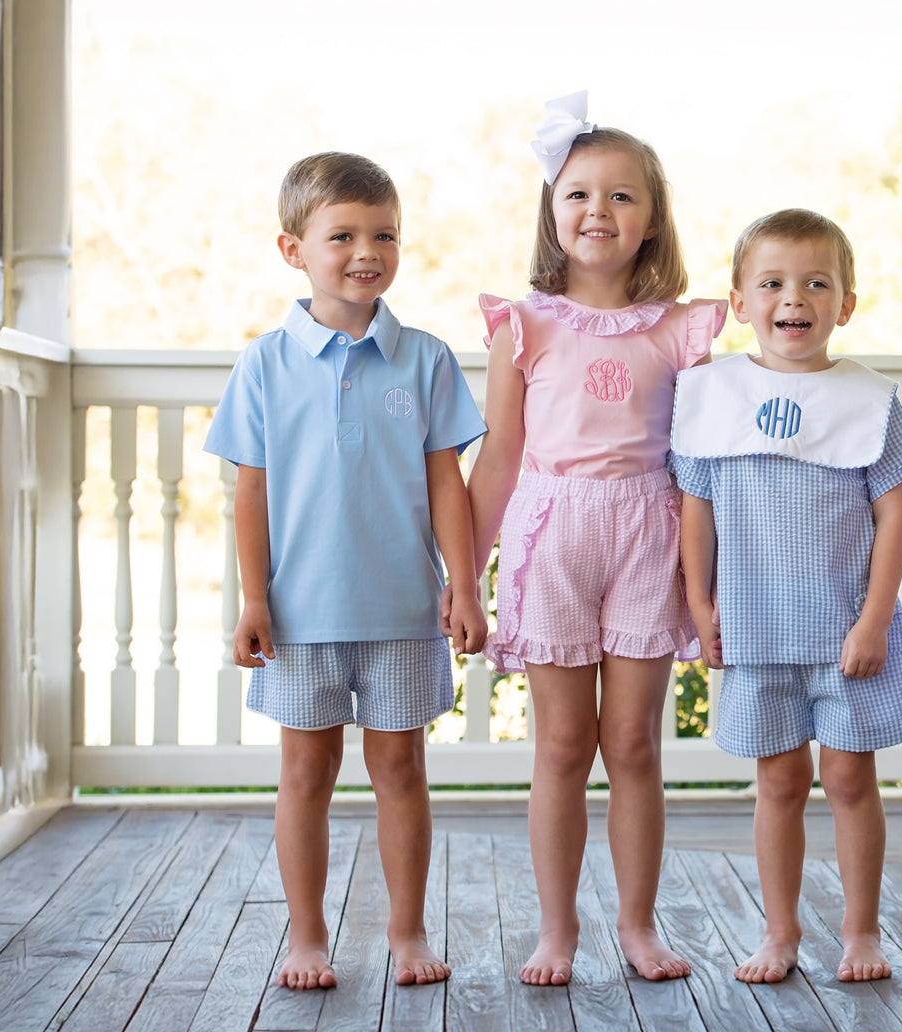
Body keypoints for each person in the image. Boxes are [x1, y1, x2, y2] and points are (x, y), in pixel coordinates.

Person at [204, 152, 487, 991]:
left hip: (403, 611)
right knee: (305, 776)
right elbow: (247, 494)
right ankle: (306, 938)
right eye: (344, 235)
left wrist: (464, 585)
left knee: (401, 771)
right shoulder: (263, 364)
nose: (367, 250)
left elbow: (447, 484)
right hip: (299, 616)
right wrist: (255, 599)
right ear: (294, 249)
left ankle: (407, 934)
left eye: (385, 234)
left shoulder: (425, 358)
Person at [461, 92, 724, 986]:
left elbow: (705, 468)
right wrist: (462, 575)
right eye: (577, 193)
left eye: (620, 196)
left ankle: (639, 925)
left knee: (635, 744)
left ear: (651, 220)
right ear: (551, 208)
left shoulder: (683, 331)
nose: (597, 212)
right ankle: (555, 930)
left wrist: (706, 583)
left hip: (648, 530)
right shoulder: (521, 325)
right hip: (553, 533)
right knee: (561, 748)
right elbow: (498, 459)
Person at [671, 209, 902, 984]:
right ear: (741, 300)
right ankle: (778, 933)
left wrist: (876, 619)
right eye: (774, 283)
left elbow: (893, 516)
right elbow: (698, 507)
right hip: (754, 629)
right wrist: (700, 603)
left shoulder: (868, 401)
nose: (795, 298)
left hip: (846, 632)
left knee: (850, 780)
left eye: (817, 283)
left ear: (844, 304)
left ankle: (860, 932)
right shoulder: (712, 395)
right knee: (777, 782)